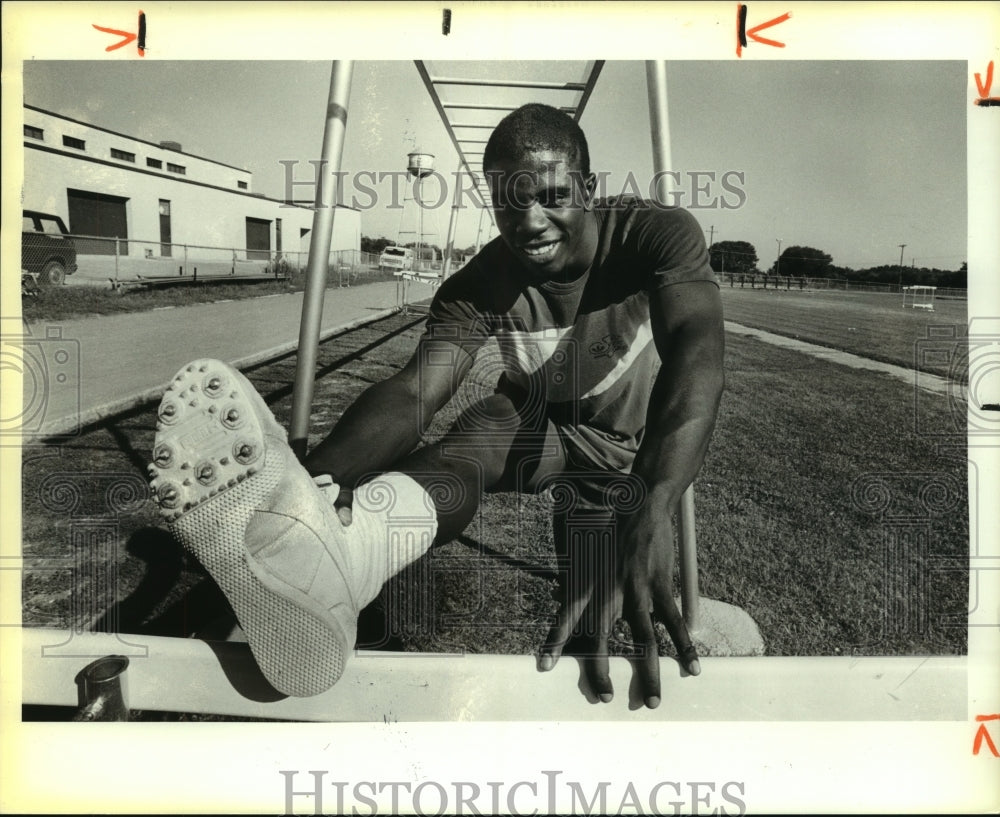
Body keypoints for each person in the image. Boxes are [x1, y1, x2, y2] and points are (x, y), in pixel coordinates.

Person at [149, 103, 724, 709]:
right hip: (537, 432)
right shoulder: (478, 285)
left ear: (588, 187)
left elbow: (698, 357)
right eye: (509, 202)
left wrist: (652, 502)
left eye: (553, 196)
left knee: (594, 641)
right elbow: (415, 393)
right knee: (482, 432)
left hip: (626, 453)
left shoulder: (654, 234)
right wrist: (313, 484)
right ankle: (348, 553)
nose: (530, 221)